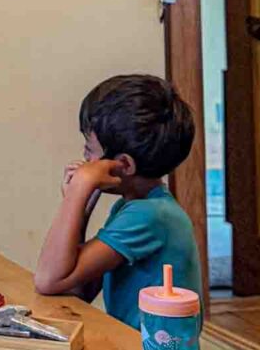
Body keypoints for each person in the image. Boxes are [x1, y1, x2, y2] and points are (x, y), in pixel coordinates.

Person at [33, 74, 201, 330]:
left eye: (90, 149)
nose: (84, 156)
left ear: (123, 165)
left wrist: (77, 191)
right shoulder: (132, 207)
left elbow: (48, 279)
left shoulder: (150, 216)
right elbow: (77, 287)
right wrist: (83, 207)